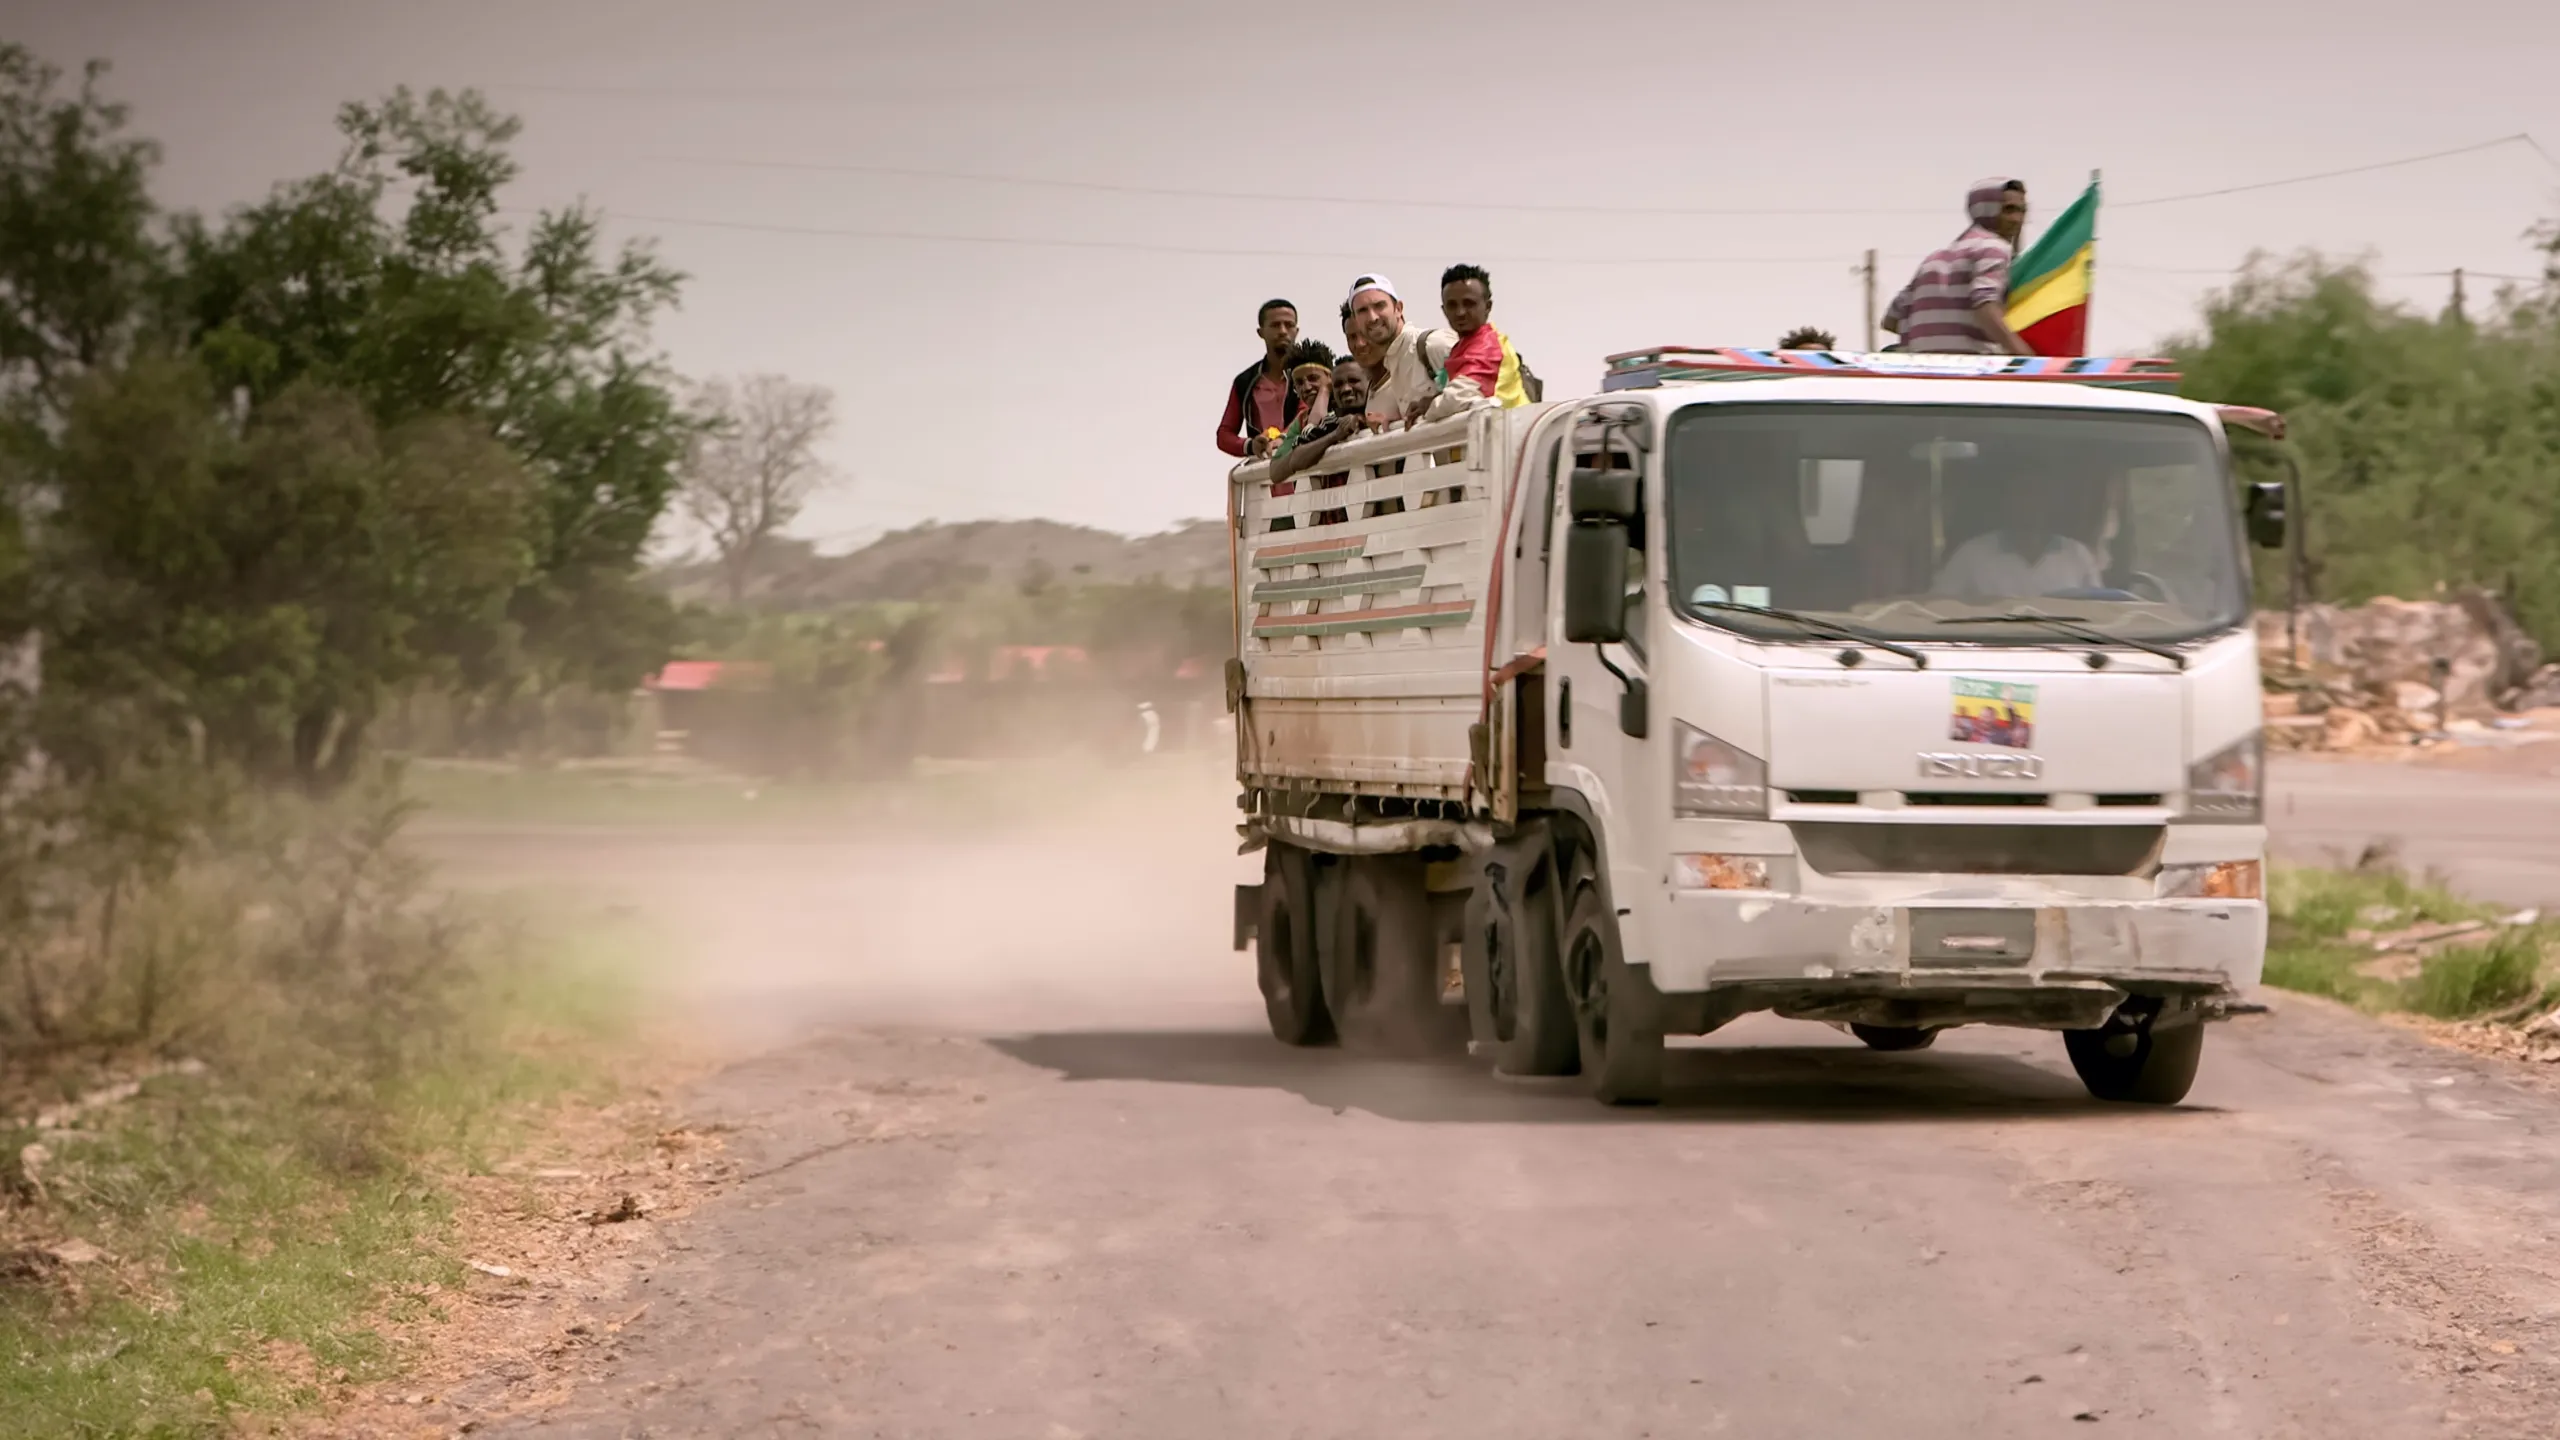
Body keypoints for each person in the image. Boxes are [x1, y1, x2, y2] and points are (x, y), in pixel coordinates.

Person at [1882, 179, 2032, 356]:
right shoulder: (1993, 247)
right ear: (1986, 209)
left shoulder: (1934, 258)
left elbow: (1890, 320)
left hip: (1926, 370)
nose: (2017, 219)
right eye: (2008, 209)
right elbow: (1985, 302)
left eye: (2022, 210)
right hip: (1975, 367)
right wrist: (2022, 353)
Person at [1931, 474, 2104, 599]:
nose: (2031, 503)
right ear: (2008, 501)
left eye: (2039, 494)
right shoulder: (1971, 555)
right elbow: (1938, 607)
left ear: (2051, 502)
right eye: (2023, 493)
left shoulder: (2077, 555)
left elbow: (2099, 613)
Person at [1345, 273, 1457, 428]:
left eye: (1379, 306)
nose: (1372, 317)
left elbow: (1479, 392)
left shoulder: (1432, 345)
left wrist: (1431, 404)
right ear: (1356, 320)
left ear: (1398, 309)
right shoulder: (1393, 362)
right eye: (1362, 311)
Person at [1436, 264, 1534, 408]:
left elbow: (1456, 398)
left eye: (1469, 303)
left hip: (1510, 428)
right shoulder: (1462, 346)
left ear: (1488, 306)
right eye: (1452, 305)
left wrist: (1427, 407)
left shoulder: (1488, 346)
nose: (1460, 312)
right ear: (1444, 310)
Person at [1218, 299, 1300, 457]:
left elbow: (1308, 414)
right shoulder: (1245, 381)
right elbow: (1224, 435)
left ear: (1296, 330)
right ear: (1261, 332)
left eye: (1289, 325)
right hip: (1264, 472)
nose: (1283, 331)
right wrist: (1251, 445)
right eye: (1275, 325)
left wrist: (1283, 438)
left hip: (1304, 469)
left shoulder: (1310, 373)